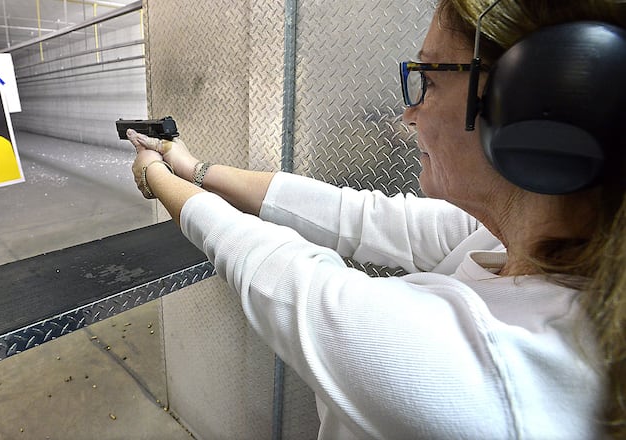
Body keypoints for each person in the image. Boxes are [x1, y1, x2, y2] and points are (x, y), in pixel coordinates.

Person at [126, 0, 625, 438]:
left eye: (428, 81)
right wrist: (194, 168)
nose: (408, 116)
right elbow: (357, 216)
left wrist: (157, 175)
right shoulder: (513, 243)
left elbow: (288, 279)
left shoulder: (494, 377)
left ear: (525, 105)